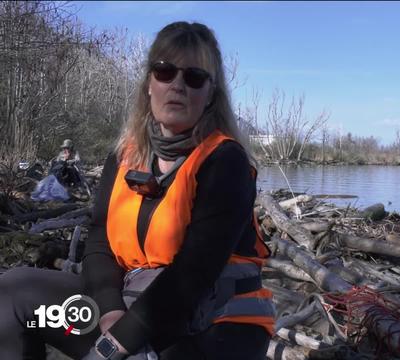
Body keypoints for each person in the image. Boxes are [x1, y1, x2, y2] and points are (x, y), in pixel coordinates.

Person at [0, 21, 275, 359]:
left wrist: (112, 346)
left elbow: (193, 276)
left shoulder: (225, 161)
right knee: (13, 293)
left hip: (217, 320)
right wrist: (109, 310)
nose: (177, 85)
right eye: (164, 71)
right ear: (149, 83)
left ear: (210, 95)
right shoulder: (124, 155)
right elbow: (100, 239)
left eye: (194, 77)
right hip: (128, 310)